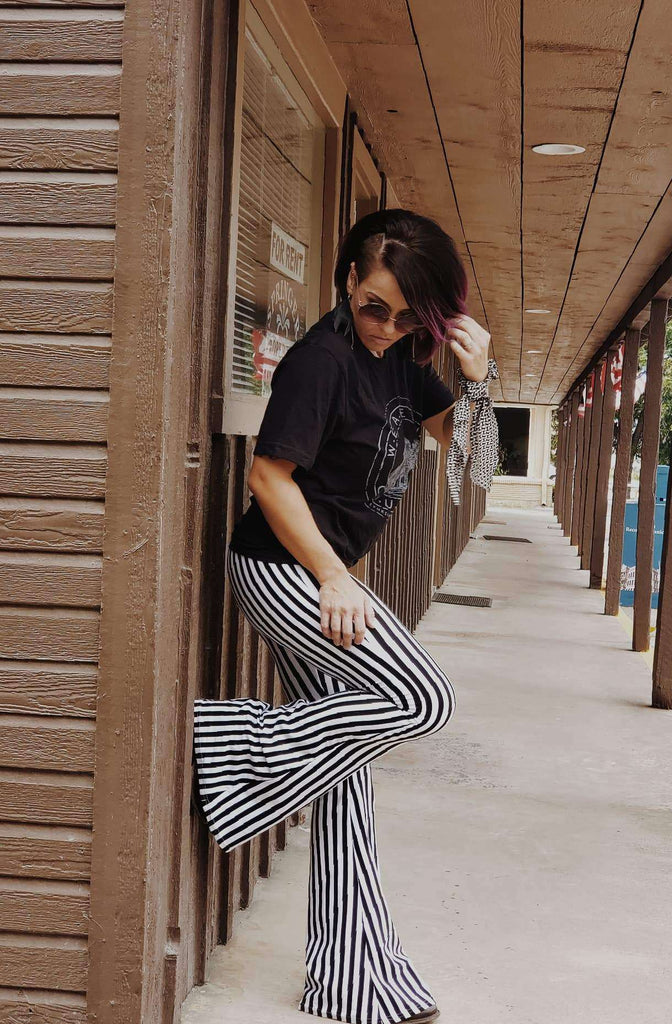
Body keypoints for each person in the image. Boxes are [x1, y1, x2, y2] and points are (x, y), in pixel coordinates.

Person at [192, 208, 494, 1024]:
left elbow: (471, 468)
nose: (389, 327)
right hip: (283, 570)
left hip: (323, 579)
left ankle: (353, 980)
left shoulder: (401, 360)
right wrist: (332, 573)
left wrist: (479, 379)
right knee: (424, 696)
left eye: (410, 316)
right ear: (348, 283)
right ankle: (226, 739)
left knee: (346, 774)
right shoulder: (320, 359)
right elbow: (268, 478)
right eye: (375, 307)